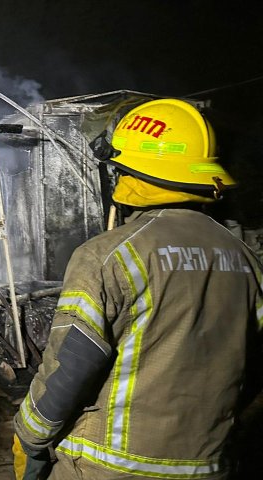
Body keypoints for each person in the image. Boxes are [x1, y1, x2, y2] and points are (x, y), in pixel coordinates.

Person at [13, 98, 263, 479]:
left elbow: (70, 368)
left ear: (126, 174)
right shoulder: (244, 259)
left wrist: (28, 436)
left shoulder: (108, 256)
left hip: (107, 468)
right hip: (210, 464)